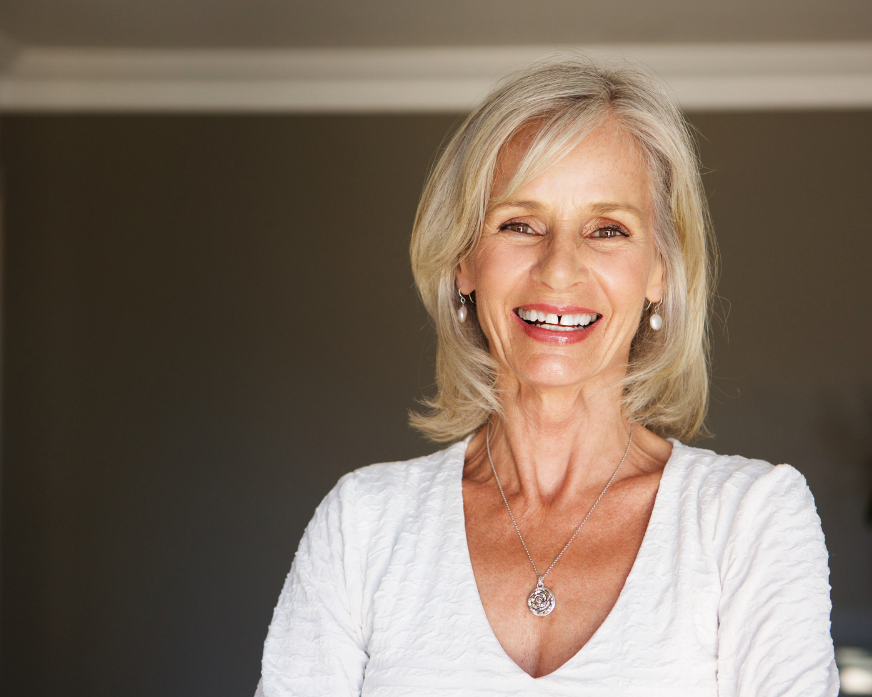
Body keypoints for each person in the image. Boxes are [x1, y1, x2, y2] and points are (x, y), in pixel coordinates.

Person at [256, 58, 838, 696]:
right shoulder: (365, 524)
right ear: (462, 263)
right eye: (519, 225)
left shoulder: (748, 518)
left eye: (607, 229)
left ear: (661, 272)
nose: (559, 269)